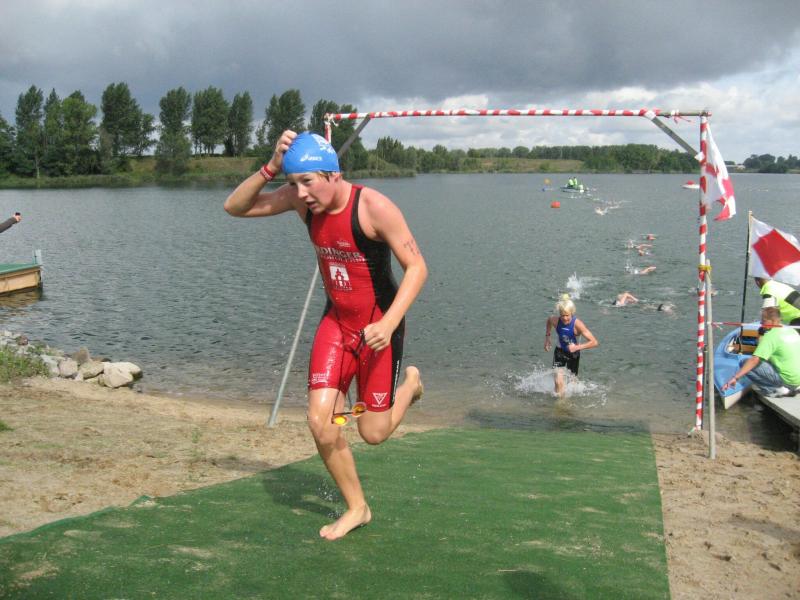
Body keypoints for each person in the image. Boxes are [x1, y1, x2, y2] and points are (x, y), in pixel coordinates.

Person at [224, 131, 427, 541]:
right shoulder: (304, 202)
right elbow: (235, 207)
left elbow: (417, 268)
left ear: (334, 174)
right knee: (321, 423)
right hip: (336, 324)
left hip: (378, 329)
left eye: (307, 182)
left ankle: (411, 386)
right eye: (293, 183)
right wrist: (271, 167)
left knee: (373, 433)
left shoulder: (372, 207)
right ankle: (358, 507)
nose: (300, 193)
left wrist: (389, 324)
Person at [722, 306, 800, 396]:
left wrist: (735, 377)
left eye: (764, 320)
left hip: (788, 380)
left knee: (744, 362)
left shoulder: (771, 336)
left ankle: (774, 390)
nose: (761, 323)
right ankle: (794, 386)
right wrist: (761, 334)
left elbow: (754, 360)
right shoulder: (791, 330)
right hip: (797, 379)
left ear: (773, 321)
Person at [544, 294, 599, 398]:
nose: (565, 318)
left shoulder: (578, 324)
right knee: (558, 380)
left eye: (567, 315)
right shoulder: (555, 320)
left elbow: (594, 342)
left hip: (573, 354)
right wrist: (547, 338)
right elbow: (549, 321)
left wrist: (577, 347)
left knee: (572, 383)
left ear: (572, 313)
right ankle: (560, 402)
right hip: (559, 351)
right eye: (562, 315)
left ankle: (569, 399)